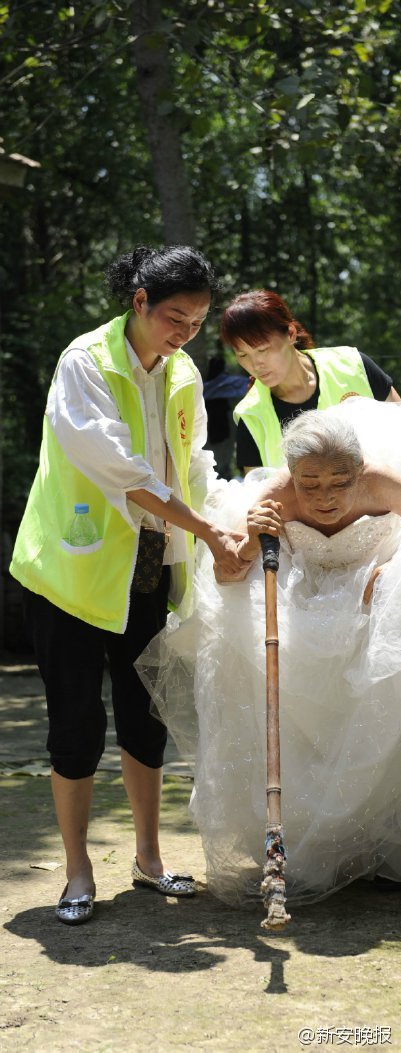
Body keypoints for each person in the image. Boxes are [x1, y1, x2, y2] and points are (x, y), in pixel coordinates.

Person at [136, 399, 401, 905]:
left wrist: (393, 573)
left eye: (340, 482)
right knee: (274, 670)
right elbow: (230, 571)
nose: (325, 496)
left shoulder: (381, 482)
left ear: (359, 471)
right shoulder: (278, 495)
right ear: (292, 475)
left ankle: (382, 843)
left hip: (376, 599)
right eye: (309, 484)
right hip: (302, 600)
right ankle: (304, 844)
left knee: (388, 683)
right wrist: (255, 537)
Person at [10, 245, 248, 926]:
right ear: (139, 300)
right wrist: (206, 528)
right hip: (72, 571)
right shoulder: (83, 361)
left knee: (147, 717)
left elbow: (194, 461)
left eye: (198, 322)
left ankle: (149, 857)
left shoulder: (182, 373)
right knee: (77, 722)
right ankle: (78, 870)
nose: (184, 332)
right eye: (176, 316)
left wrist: (226, 524)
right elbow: (124, 472)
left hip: (149, 566)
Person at [220, 289, 401, 473]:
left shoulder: (353, 365)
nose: (255, 364)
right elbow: (258, 491)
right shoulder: (251, 415)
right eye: (242, 354)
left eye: (263, 350)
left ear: (290, 333)